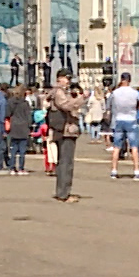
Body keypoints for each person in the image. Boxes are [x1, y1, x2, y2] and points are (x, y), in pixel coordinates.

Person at [46, 71, 86, 202]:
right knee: (66, 163)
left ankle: (62, 191)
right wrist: (81, 98)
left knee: (63, 162)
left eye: (69, 79)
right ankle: (64, 193)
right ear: (59, 78)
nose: (68, 81)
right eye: (66, 78)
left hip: (63, 129)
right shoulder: (58, 92)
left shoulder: (59, 92)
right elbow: (67, 106)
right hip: (65, 130)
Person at [106, 74, 139, 180]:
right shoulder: (135, 93)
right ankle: (136, 171)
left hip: (118, 119)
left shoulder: (115, 93)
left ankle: (114, 170)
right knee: (134, 146)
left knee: (117, 146)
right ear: (129, 80)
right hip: (131, 119)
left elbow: (109, 105)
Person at [5, 84, 33, 175]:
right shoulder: (25, 103)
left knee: (13, 149)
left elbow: (7, 114)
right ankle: (21, 168)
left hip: (14, 126)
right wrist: (30, 127)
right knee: (22, 150)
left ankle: (12, 168)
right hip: (23, 127)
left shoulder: (10, 102)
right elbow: (29, 117)